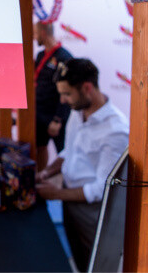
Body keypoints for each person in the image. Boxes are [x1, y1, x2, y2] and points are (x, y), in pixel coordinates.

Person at [35, 59, 128, 271]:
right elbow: (70, 151)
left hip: (92, 212)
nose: (63, 100)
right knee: (77, 260)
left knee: (95, 266)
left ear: (87, 88)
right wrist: (46, 172)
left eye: (67, 94)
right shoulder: (77, 111)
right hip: (70, 200)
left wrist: (55, 194)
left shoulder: (116, 131)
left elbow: (100, 190)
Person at [34, 21, 73, 171]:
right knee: (40, 147)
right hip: (39, 113)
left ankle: (66, 184)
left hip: (55, 115)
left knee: (63, 152)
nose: (33, 37)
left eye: (35, 33)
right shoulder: (40, 55)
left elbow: (68, 93)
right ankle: (41, 177)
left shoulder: (65, 57)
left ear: (43, 33)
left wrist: (58, 119)